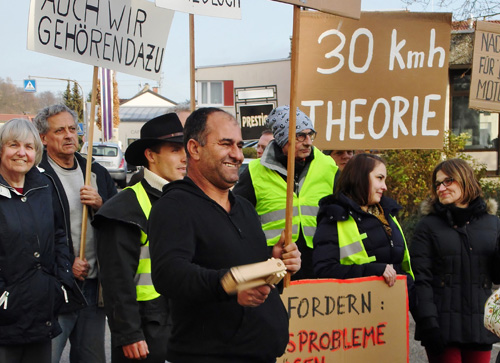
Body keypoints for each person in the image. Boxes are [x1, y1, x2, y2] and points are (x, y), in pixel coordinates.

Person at [148, 107, 301, 363]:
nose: (238, 155)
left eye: (240, 145)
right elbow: (168, 274)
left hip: (260, 353)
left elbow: (244, 268)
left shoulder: (244, 208)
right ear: (195, 149)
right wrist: (230, 284)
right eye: (226, 144)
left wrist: (275, 262)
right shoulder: (174, 206)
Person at [93, 113, 186, 362]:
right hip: (145, 334)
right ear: (151, 155)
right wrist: (128, 334)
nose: (185, 157)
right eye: (176, 150)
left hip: (181, 328)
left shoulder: (188, 199)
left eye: (187, 148)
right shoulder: (123, 209)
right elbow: (116, 280)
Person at [33, 104, 117, 363]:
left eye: (73, 129)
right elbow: (31, 233)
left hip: (92, 285)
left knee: (91, 357)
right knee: (46, 356)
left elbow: (118, 219)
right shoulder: (35, 177)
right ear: (44, 138)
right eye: (60, 130)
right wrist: (66, 265)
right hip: (56, 288)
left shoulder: (95, 171)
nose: (69, 135)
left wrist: (101, 204)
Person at [410, 158, 500, 363]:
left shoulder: (492, 223)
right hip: (442, 328)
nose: (441, 188)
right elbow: (421, 279)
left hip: (479, 326)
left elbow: (496, 275)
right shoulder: (428, 226)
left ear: (465, 179)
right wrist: (428, 323)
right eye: (438, 184)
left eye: (448, 181)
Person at [234, 105, 338, 279]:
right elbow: (237, 219)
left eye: (310, 134)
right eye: (300, 135)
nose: (308, 142)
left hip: (321, 262)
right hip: (275, 266)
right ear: (282, 138)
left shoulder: (327, 166)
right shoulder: (255, 172)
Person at [0, 119, 74, 363]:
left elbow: (59, 235)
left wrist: (59, 280)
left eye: (29, 147)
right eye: (13, 145)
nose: (22, 153)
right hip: (4, 319)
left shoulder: (44, 187)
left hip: (41, 314)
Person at [313, 153, 415, 306]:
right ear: (359, 178)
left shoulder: (387, 213)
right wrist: (373, 271)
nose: (384, 187)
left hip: (393, 308)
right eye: (379, 178)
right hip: (357, 313)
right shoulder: (334, 218)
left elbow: (402, 265)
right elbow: (324, 270)